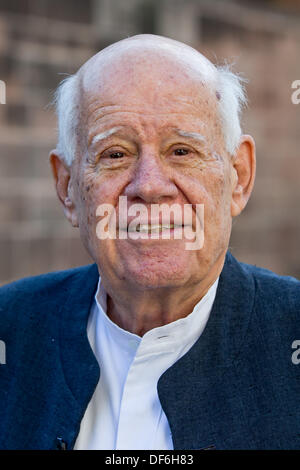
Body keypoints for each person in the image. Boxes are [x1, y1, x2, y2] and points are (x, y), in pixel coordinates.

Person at [0, 34, 299, 451]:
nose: (150, 187)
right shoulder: (10, 329)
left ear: (239, 177)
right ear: (67, 188)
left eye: (181, 150)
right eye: (115, 154)